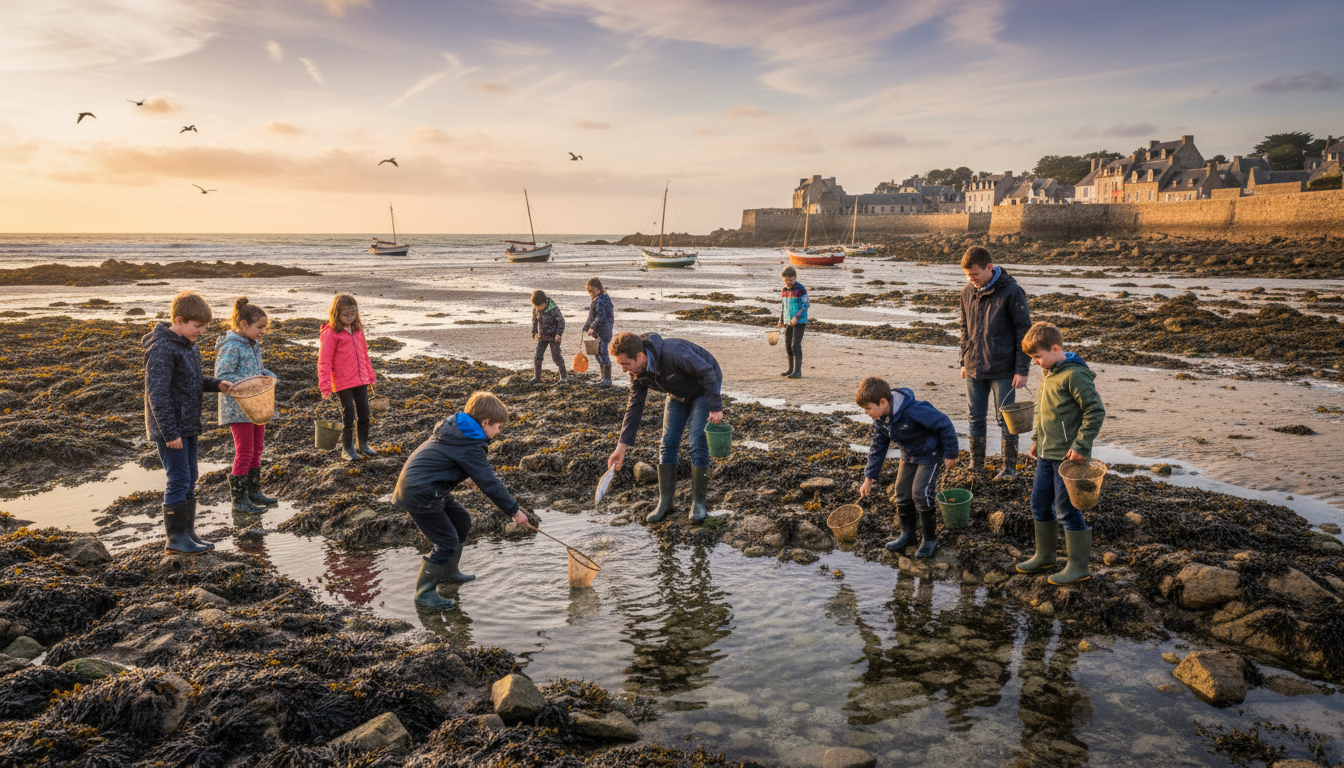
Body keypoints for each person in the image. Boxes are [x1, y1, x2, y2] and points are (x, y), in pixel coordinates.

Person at [392, 392, 531, 609]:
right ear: (485, 423)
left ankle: (449, 573)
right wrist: (515, 512)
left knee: (462, 520)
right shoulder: (469, 444)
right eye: (498, 426)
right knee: (446, 541)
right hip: (419, 493)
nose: (499, 431)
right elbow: (489, 482)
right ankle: (424, 594)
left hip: (431, 487)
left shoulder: (459, 431)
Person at [143, 290, 233, 555]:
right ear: (179, 320)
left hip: (189, 423)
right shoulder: (161, 349)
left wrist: (216, 384)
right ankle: (175, 539)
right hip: (171, 428)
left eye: (204, 326)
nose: (202, 331)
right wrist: (170, 433)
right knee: (179, 479)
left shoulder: (188, 346)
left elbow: (191, 381)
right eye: (198, 326)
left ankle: (188, 533)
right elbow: (157, 394)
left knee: (191, 476)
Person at [1016, 322, 1106, 585]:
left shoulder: (1074, 375)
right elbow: (1045, 413)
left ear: (1055, 349)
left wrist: (1081, 446)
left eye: (1037, 357)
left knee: (1066, 509)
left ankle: (1078, 567)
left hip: (1068, 458)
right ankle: (1045, 556)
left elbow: (1095, 411)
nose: (1035, 363)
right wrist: (1037, 439)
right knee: (1038, 503)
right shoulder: (1049, 372)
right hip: (1046, 453)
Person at [606, 332, 723, 524]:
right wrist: (621, 448)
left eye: (625, 364)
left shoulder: (674, 352)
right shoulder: (637, 373)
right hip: (677, 393)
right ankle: (665, 503)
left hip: (703, 390)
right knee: (667, 444)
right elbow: (634, 406)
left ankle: (698, 504)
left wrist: (715, 407)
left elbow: (707, 371)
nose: (623, 369)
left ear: (640, 357)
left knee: (696, 443)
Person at [855, 376, 959, 558]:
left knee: (920, 492)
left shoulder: (914, 410)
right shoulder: (880, 419)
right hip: (908, 455)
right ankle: (908, 535)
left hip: (930, 454)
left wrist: (951, 453)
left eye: (868, 408)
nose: (866, 412)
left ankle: (929, 539)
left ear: (882, 402)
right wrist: (868, 479)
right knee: (902, 492)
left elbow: (944, 423)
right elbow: (878, 447)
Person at [959, 245, 1032, 479]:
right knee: (975, 417)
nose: (972, 280)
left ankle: (1009, 468)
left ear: (989, 268)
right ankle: (976, 465)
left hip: (1004, 370)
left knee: (1006, 419)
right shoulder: (966, 292)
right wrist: (963, 361)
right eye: (968, 275)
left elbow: (1024, 332)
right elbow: (964, 329)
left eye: (975, 274)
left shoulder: (1012, 292)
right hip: (973, 368)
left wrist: (1022, 369)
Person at [214, 297, 279, 514]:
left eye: (264, 328)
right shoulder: (231, 346)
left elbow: (258, 371)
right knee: (245, 451)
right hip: (237, 407)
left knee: (257, 449)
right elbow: (222, 375)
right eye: (259, 327)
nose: (263, 332)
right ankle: (239, 500)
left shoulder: (253, 344)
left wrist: (269, 376)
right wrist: (251, 381)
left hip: (256, 405)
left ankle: (254, 492)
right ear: (244, 324)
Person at [319, 294, 377, 461]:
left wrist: (371, 377)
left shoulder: (357, 329)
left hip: (361, 379)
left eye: (353, 313)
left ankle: (363, 445)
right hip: (342, 381)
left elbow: (364, 355)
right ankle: (347, 449)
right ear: (336, 313)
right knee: (349, 415)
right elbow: (324, 361)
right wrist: (325, 386)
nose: (350, 317)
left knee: (365, 413)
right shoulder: (331, 333)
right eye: (346, 315)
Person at [581, 277, 614, 386]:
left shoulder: (601, 301)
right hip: (602, 330)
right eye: (589, 291)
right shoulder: (600, 299)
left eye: (592, 291)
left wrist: (592, 327)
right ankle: (603, 377)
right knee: (598, 353)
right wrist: (586, 328)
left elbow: (601, 317)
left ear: (599, 290)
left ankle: (607, 379)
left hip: (603, 331)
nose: (591, 294)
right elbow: (592, 317)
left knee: (603, 353)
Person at [778, 265, 810, 379]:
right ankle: (790, 369)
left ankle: (798, 371)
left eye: (791, 280)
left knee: (795, 345)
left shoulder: (800, 289)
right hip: (788, 321)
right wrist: (781, 320)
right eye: (786, 279)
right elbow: (784, 306)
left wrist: (796, 317)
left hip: (800, 321)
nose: (788, 282)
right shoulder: (784, 290)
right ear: (783, 278)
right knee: (788, 346)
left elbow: (806, 305)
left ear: (795, 278)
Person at [529, 289, 566, 385]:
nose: (538, 308)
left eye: (540, 306)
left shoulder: (553, 308)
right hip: (542, 336)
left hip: (554, 337)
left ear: (544, 303)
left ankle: (563, 378)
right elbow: (534, 320)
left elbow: (561, 321)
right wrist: (534, 332)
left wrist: (558, 334)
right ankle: (537, 378)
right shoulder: (536, 307)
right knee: (537, 356)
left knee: (556, 357)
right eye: (537, 307)